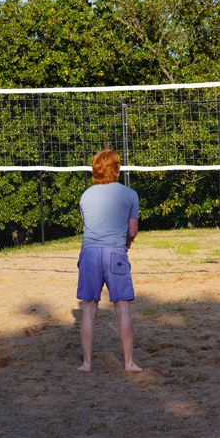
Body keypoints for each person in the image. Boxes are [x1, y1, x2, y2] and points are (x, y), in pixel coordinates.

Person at [76, 148, 142, 373]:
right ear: (116, 169)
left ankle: (86, 363)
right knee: (122, 309)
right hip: (116, 254)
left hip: (90, 254)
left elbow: (89, 224)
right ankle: (129, 363)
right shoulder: (130, 194)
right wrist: (126, 243)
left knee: (88, 309)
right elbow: (132, 231)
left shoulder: (86, 195)